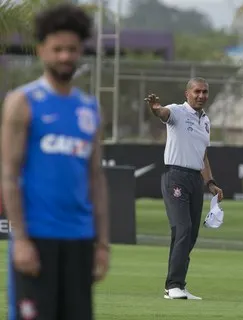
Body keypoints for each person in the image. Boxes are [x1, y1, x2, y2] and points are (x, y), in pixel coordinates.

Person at [1, 4, 110, 319]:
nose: (65, 56)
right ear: (42, 51)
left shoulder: (89, 108)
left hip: (79, 241)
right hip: (37, 240)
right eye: (57, 49)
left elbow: (95, 180)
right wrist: (20, 239)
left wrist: (101, 244)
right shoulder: (22, 102)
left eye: (72, 49)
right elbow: (8, 174)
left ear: (80, 52)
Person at [145, 77, 223, 300]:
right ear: (187, 93)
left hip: (195, 179)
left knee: (191, 235)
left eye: (205, 92)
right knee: (183, 228)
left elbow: (203, 155)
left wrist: (210, 182)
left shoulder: (206, 120)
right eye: (197, 91)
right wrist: (156, 109)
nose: (201, 96)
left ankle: (177, 284)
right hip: (176, 176)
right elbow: (163, 114)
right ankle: (173, 286)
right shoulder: (177, 111)